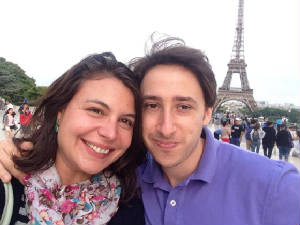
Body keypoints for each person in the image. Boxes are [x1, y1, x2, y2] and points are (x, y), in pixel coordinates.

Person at [1, 36, 300, 225]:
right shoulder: (131, 178)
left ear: (208, 111)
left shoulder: (277, 188)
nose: (165, 127)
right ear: (61, 111)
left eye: (183, 106)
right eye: (151, 106)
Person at [0, 52, 146, 225]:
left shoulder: (130, 209)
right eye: (96, 110)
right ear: (60, 112)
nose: (110, 133)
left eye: (125, 121)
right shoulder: (7, 183)